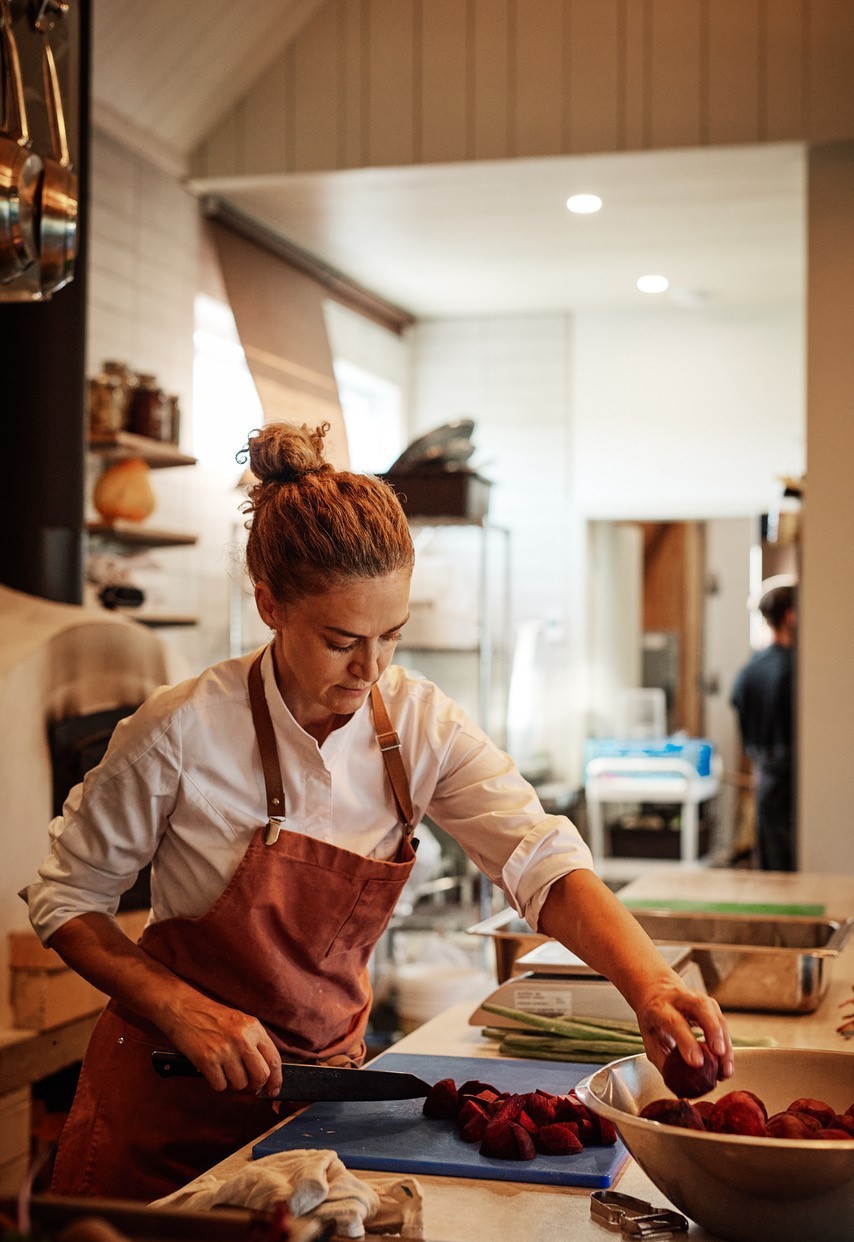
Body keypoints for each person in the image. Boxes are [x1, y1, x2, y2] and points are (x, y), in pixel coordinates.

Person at [21, 422, 732, 1202]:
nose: (370, 669)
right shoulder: (180, 731)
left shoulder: (421, 726)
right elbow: (66, 899)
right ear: (269, 605)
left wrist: (650, 985)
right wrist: (180, 1008)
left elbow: (540, 859)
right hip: (168, 1111)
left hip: (320, 1110)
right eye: (341, 641)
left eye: (391, 636)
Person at [730, 580, 797, 872]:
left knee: (770, 864)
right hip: (792, 779)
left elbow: (740, 713)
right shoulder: (796, 669)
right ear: (790, 616)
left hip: (764, 777)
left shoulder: (748, 672)